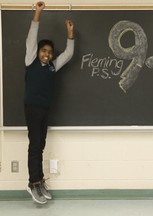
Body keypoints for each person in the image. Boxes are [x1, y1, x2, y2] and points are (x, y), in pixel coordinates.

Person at [25, 1, 74, 204]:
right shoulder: (30, 60)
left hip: (44, 108)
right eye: (43, 51)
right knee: (35, 146)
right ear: (37, 52)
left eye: (49, 52)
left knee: (41, 145)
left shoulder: (52, 66)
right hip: (32, 107)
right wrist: (38, 12)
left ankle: (39, 181)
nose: (47, 54)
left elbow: (69, 54)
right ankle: (32, 183)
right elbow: (31, 37)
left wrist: (70, 33)